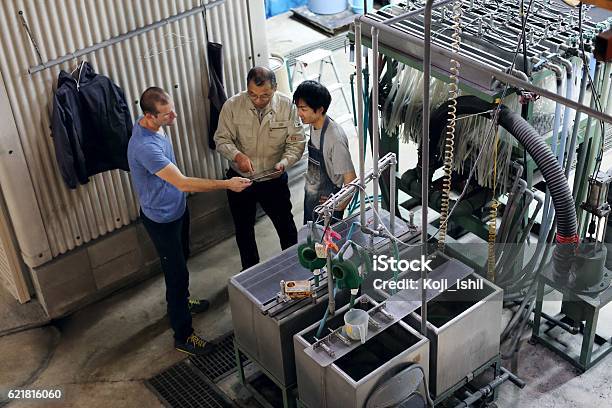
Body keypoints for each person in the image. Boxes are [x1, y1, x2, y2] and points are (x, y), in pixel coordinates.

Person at [127, 87, 251, 356]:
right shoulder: (144, 147)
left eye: (171, 108)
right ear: (149, 116)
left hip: (176, 210)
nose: (174, 115)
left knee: (183, 258)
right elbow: (182, 182)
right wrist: (227, 184)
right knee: (177, 274)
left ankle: (181, 301)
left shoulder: (157, 128)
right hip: (161, 219)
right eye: (166, 113)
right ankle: (183, 334)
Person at [214, 67, 306, 270]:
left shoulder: (286, 106)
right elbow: (221, 139)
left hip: (273, 179)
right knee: (244, 230)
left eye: (264, 95)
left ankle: (294, 267)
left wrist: (284, 163)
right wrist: (237, 155)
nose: (258, 100)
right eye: (253, 95)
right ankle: (250, 271)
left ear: (274, 88)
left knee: (286, 227)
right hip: (241, 181)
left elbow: (297, 142)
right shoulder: (232, 106)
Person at [292, 80, 356, 224]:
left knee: (326, 245)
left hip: (327, 209)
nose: (299, 113)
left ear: (320, 109)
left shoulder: (335, 138)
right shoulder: (315, 126)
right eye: (298, 107)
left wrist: (337, 208)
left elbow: (351, 181)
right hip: (312, 197)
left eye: (303, 109)